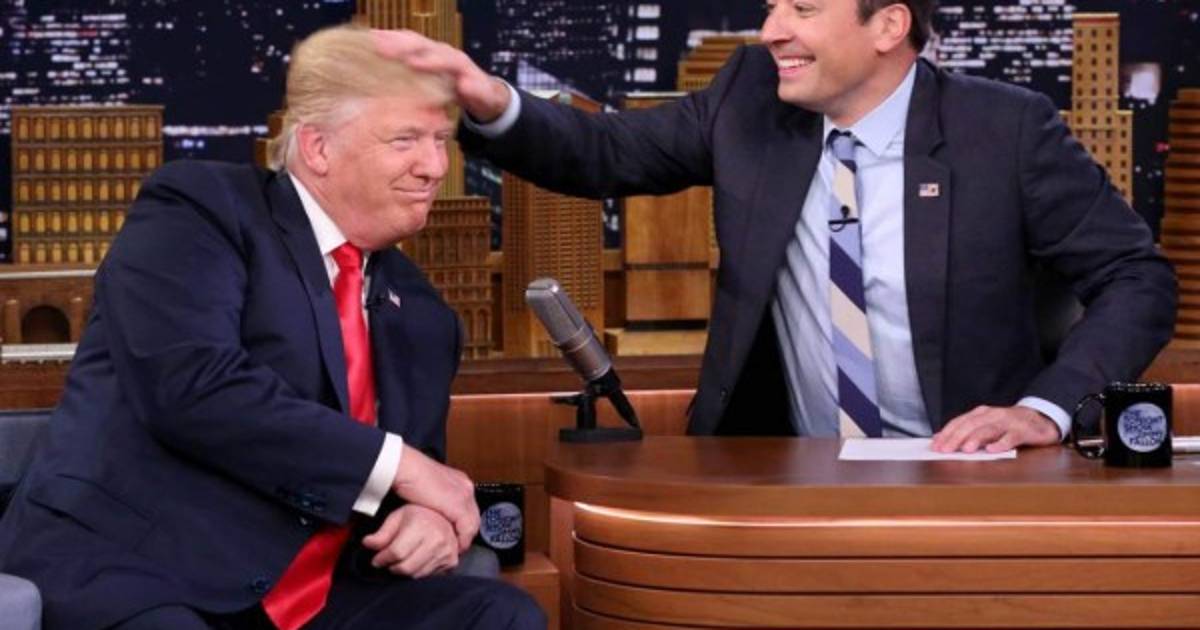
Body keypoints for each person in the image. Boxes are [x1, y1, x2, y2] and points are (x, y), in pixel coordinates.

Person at [375, 0, 1176, 453]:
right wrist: (489, 100)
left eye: (803, 8)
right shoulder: (748, 99)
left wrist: (1044, 409)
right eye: (771, 6)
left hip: (972, 474)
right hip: (788, 471)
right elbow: (603, 151)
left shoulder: (1004, 130)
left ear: (888, 26)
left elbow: (1136, 279)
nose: (772, 29)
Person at [0, 24, 546, 630]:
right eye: (405, 140)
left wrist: (429, 519)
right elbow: (192, 386)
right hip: (144, 571)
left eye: (441, 140)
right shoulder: (200, 210)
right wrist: (407, 469)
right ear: (317, 148)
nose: (434, 167)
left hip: (319, 594)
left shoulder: (424, 313)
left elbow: (414, 474)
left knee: (502, 614)